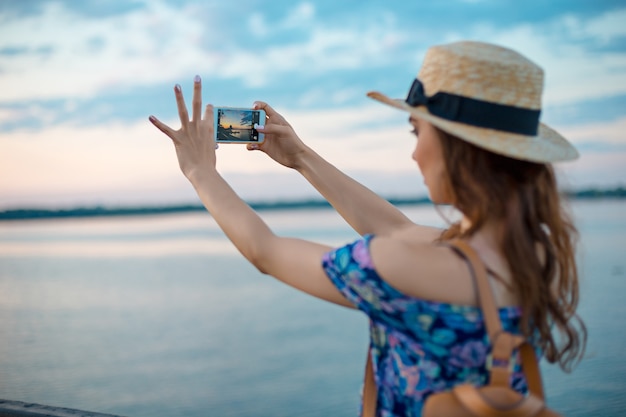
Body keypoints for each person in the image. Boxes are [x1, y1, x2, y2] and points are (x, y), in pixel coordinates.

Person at [149, 41, 586, 416]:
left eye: (417, 131)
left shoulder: (408, 265)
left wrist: (199, 170)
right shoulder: (532, 249)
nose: (414, 155)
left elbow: (265, 251)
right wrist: (301, 157)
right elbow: (398, 228)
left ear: (459, 147)